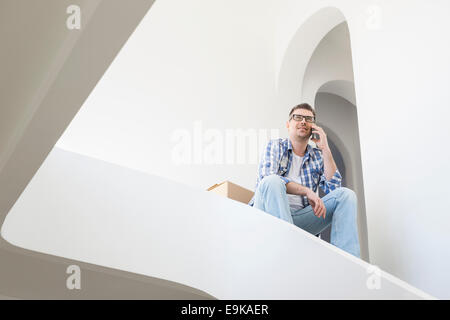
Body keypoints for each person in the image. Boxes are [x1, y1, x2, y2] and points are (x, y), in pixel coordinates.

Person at [248, 103, 360, 258]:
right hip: (269, 213)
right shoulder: (274, 146)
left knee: (346, 195)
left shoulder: (318, 156)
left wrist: (325, 148)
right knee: (272, 181)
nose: (303, 121)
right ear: (288, 125)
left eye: (308, 119)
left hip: (300, 220)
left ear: (313, 127)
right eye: (298, 117)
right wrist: (307, 191)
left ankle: (348, 261)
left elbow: (334, 191)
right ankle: (287, 251)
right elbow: (266, 180)